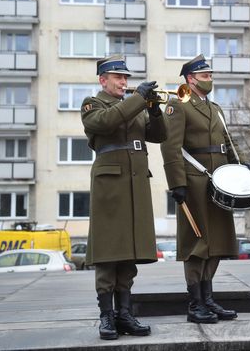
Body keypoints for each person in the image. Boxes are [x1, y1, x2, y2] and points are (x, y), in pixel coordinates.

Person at [81, 55, 168, 340]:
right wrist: (138, 99)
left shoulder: (134, 107)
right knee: (109, 252)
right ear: (102, 80)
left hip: (135, 184)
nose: (123, 82)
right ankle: (106, 316)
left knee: (129, 251)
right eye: (118, 77)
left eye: (126, 78)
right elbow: (106, 123)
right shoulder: (93, 105)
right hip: (110, 185)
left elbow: (158, 136)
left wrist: (154, 110)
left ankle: (124, 314)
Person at [160, 54, 239, 324]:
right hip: (194, 181)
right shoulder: (178, 105)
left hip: (219, 182)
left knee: (216, 242)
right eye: (205, 76)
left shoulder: (215, 107)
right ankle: (195, 304)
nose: (210, 80)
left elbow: (226, 143)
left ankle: (208, 299)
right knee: (198, 242)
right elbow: (170, 147)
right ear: (190, 79)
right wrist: (177, 184)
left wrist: (240, 169)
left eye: (210, 76)